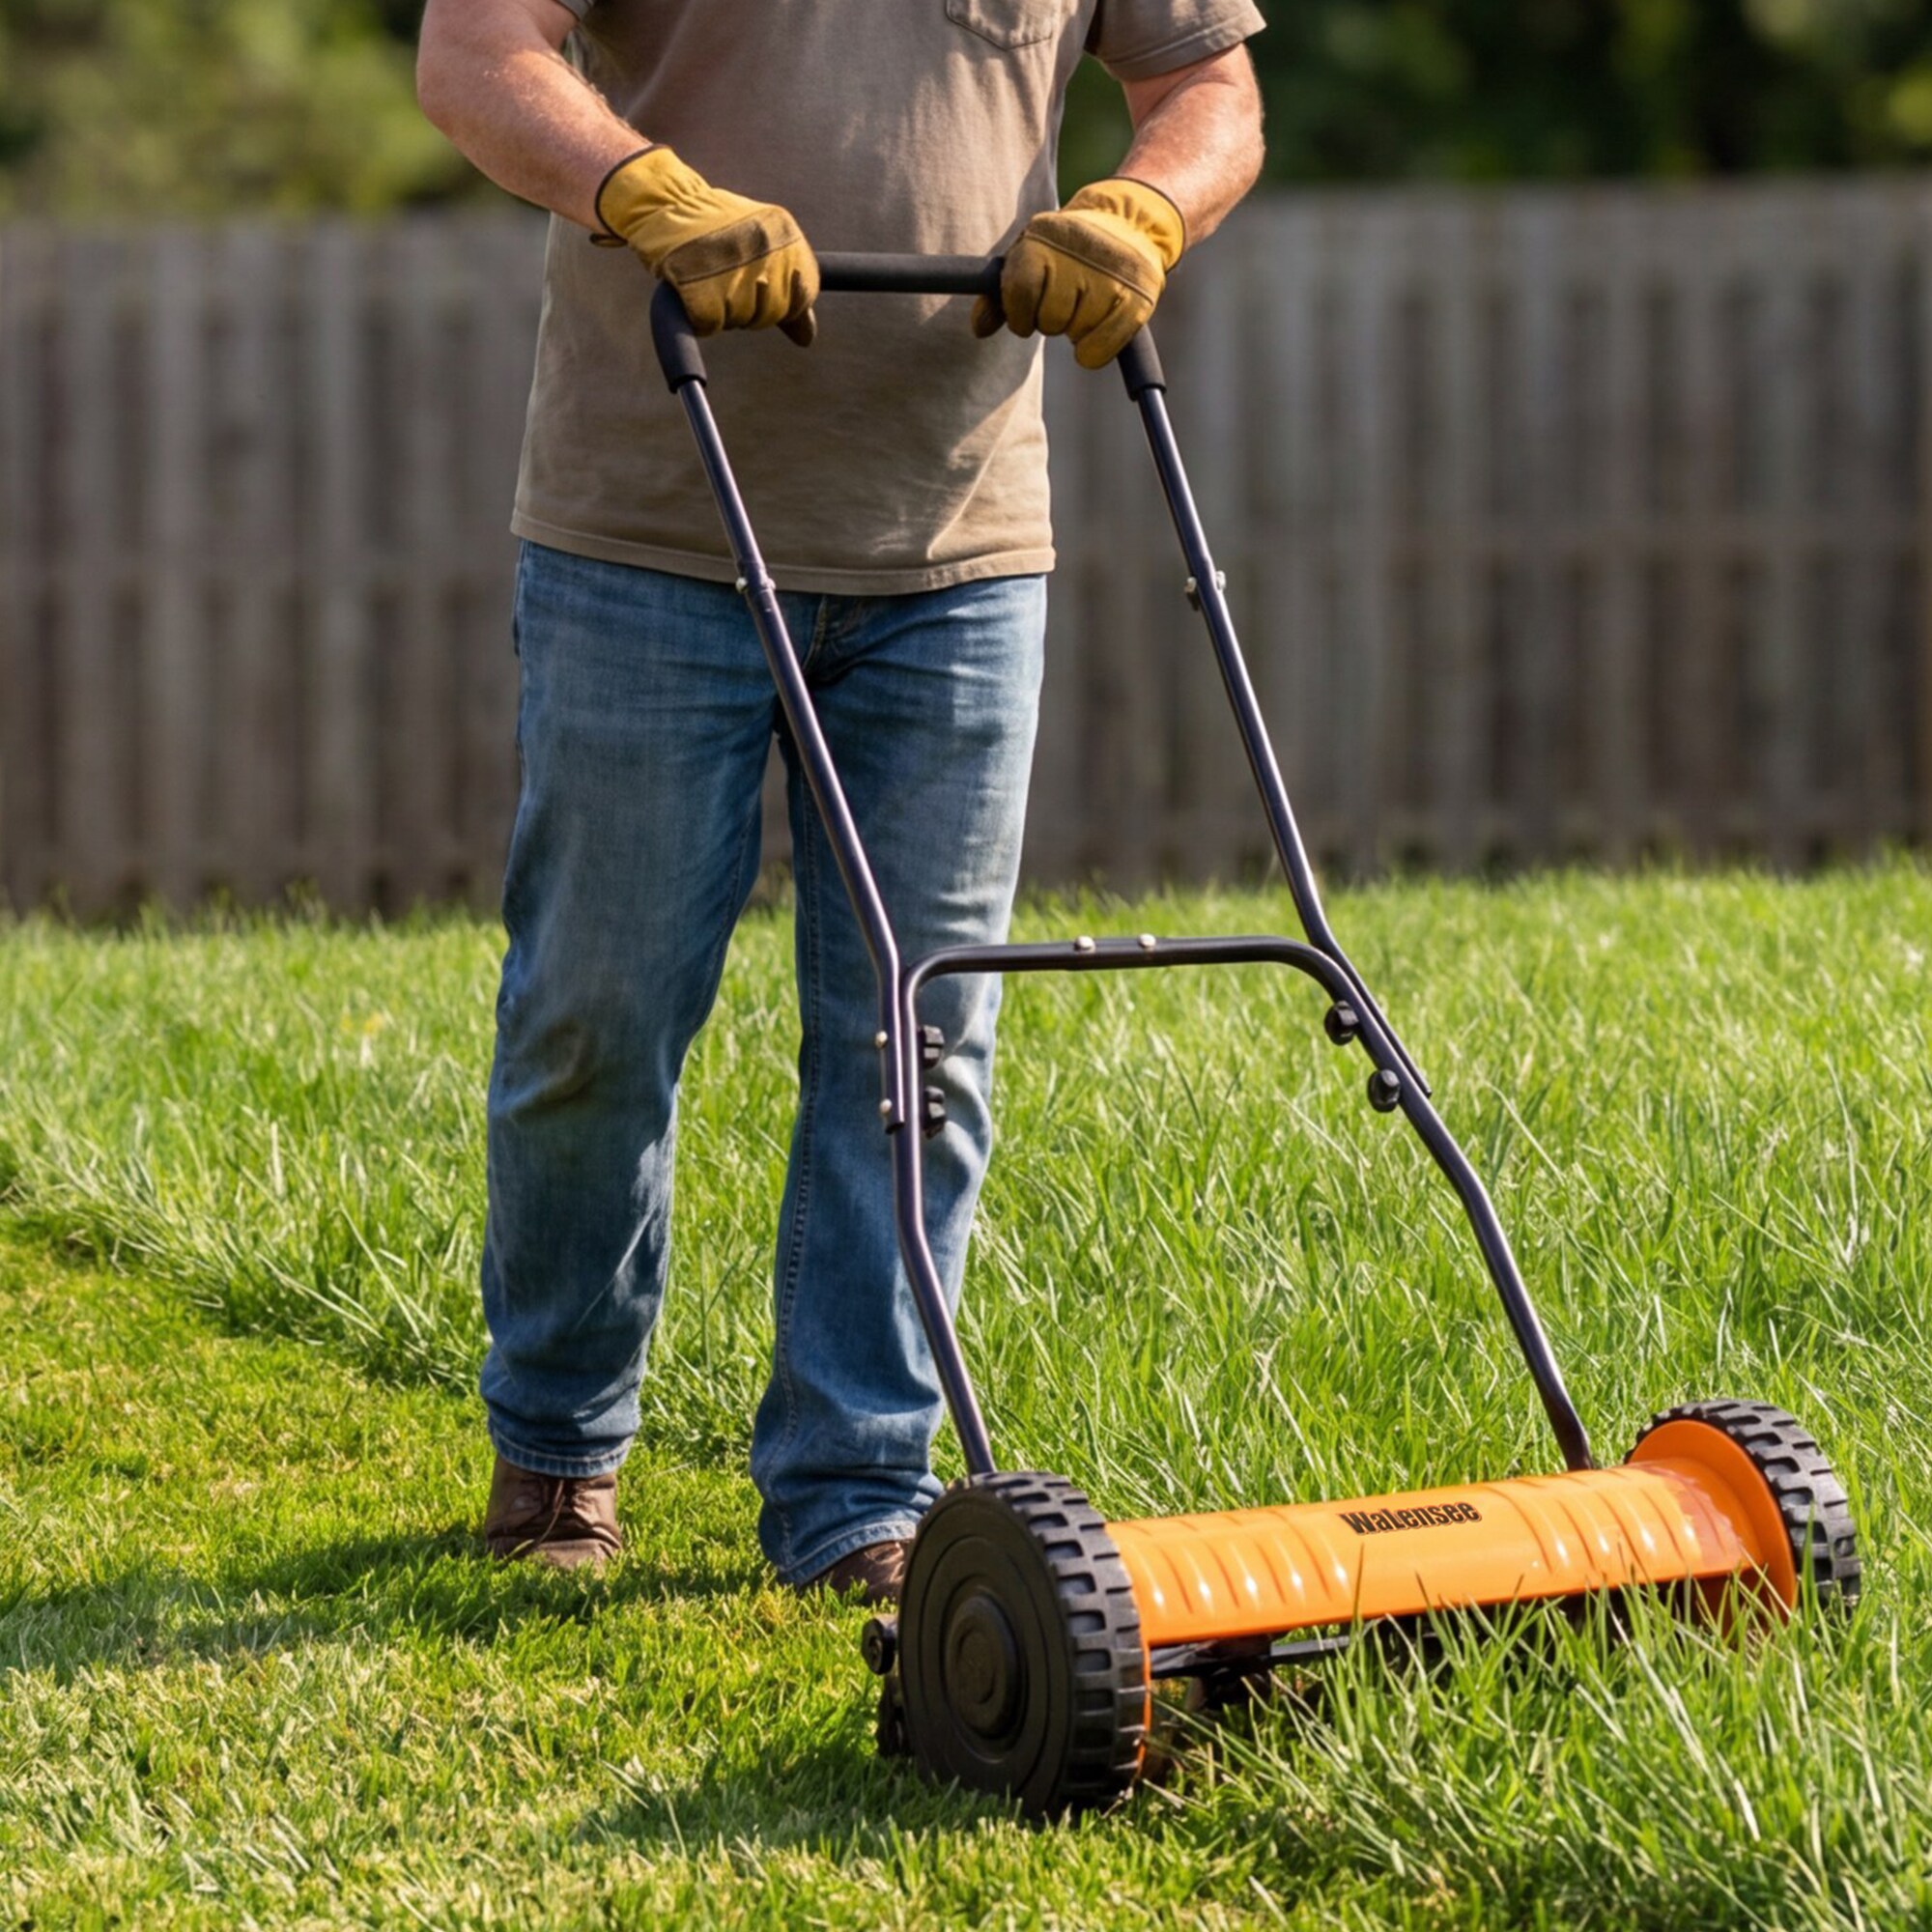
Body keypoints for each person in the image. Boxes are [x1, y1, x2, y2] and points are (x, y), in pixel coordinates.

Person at [415, 0, 1264, 1602]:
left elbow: (1206, 85)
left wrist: (1142, 205)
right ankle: (558, 1440)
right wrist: (646, 189)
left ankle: (858, 1494)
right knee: (594, 1013)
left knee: (919, 1034)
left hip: (959, 538)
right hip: (647, 520)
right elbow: (478, 55)